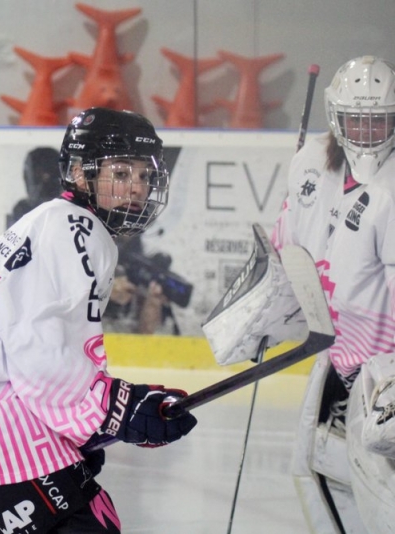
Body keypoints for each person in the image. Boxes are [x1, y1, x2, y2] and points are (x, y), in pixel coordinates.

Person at [0, 107, 197, 533]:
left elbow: (37, 346)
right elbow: (38, 351)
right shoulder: (78, 229)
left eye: (144, 177)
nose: (137, 189)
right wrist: (115, 408)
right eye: (121, 172)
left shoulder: (55, 220)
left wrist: (88, 424)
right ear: (78, 171)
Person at [271, 55, 395, 533]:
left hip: (383, 375)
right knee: (317, 476)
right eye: (355, 120)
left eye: (378, 120)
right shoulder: (311, 164)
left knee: (381, 497)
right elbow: (291, 250)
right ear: (334, 115)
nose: (366, 133)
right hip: (337, 367)